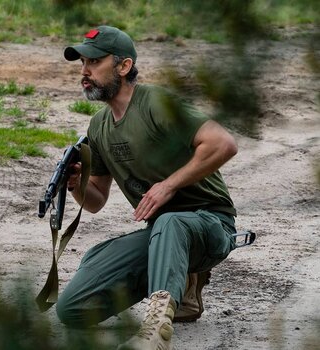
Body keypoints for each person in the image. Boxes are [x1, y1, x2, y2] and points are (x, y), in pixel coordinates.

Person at [57, 25, 238, 350]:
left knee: (170, 222)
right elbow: (96, 200)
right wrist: (75, 185)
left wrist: (167, 186)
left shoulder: (156, 102)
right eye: (82, 63)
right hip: (162, 236)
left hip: (211, 224)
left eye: (95, 62)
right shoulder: (99, 126)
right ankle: (181, 281)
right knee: (72, 309)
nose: (85, 71)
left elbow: (223, 144)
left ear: (124, 66)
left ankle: (155, 332)